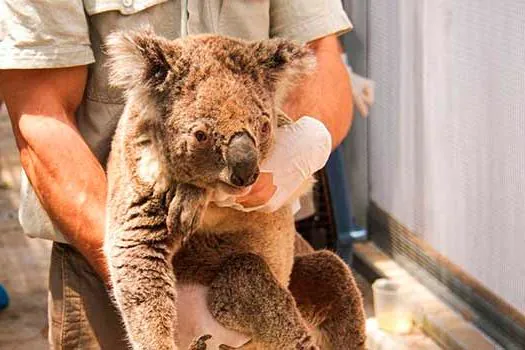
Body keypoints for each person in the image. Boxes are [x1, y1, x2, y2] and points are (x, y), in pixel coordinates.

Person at [0, 0, 354, 348]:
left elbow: (319, 53)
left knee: (334, 288)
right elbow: (41, 113)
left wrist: (308, 142)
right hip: (105, 244)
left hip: (263, 238)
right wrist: (154, 287)